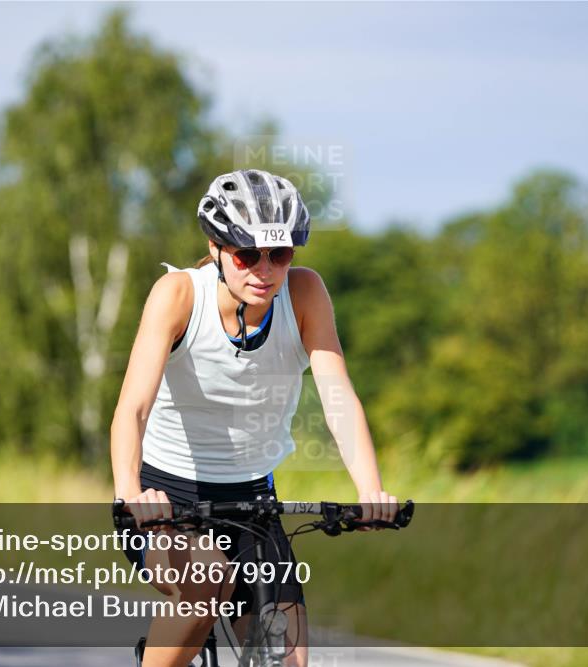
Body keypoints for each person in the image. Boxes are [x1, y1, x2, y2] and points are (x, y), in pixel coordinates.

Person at [110, 169, 398, 667]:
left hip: (252, 500)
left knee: (286, 659)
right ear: (216, 247)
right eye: (247, 254)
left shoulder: (305, 294)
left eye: (280, 255)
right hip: (167, 498)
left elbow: (337, 396)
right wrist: (132, 496)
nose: (263, 270)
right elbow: (132, 409)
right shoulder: (178, 296)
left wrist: (370, 490)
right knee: (206, 579)